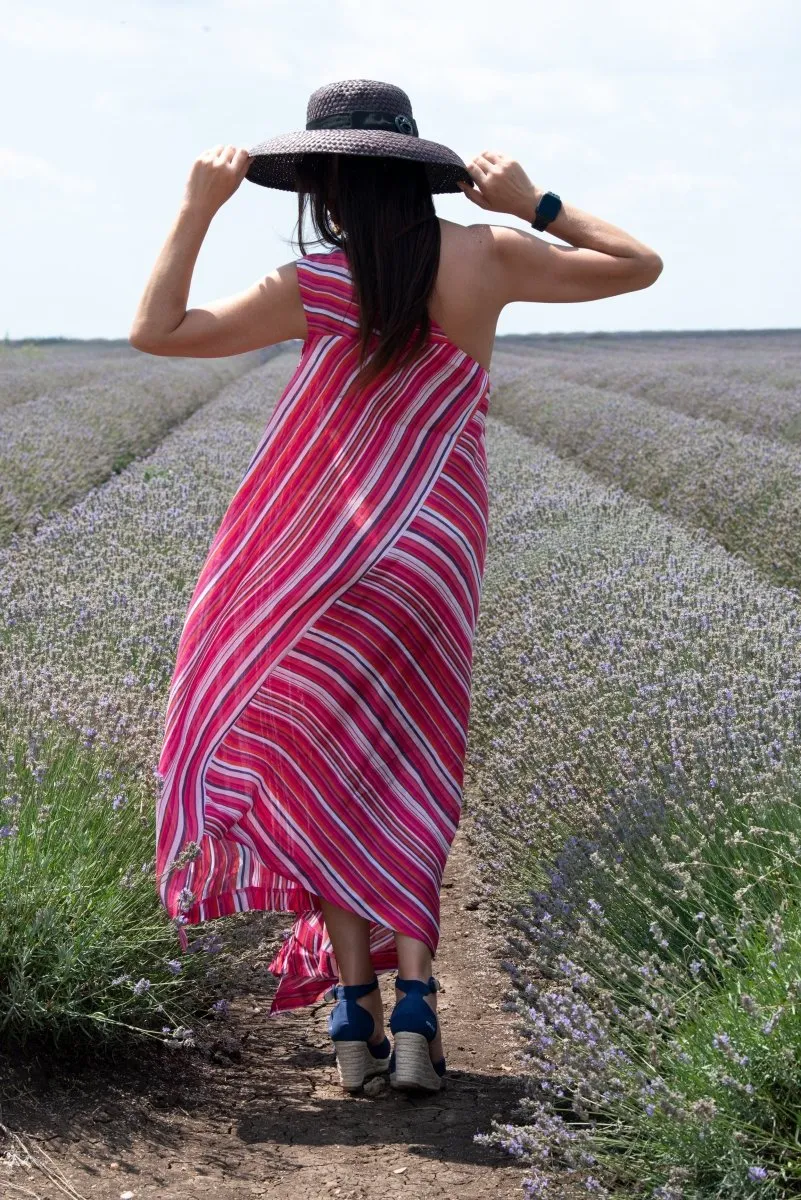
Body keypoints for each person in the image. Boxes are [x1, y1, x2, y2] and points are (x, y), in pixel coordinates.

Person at [130, 79, 662, 1096]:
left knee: (322, 769)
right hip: (435, 551)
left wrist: (198, 208)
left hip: (321, 562)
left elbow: (159, 330)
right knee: (412, 755)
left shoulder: (317, 280)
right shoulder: (488, 255)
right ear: (421, 170)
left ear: (325, 184)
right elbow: (638, 265)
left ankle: (354, 1013)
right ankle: (418, 1008)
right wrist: (533, 203)